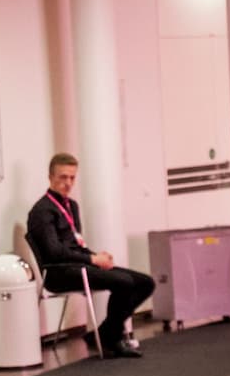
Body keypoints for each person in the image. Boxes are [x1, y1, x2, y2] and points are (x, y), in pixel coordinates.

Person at [26, 152, 155, 359]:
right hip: (60, 272)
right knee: (124, 282)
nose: (68, 183)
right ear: (50, 177)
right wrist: (92, 260)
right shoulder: (42, 212)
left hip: (81, 265)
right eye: (62, 177)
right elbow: (55, 252)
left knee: (145, 283)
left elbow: (76, 244)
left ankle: (105, 332)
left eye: (72, 178)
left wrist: (97, 257)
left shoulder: (72, 205)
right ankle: (112, 338)